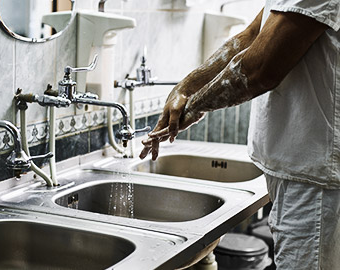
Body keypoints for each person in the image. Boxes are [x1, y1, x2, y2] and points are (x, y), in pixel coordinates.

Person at [139, 0, 340, 269]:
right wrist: (186, 88)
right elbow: (251, 36)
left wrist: (195, 104)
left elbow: (259, 70)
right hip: (303, 172)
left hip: (315, 182)